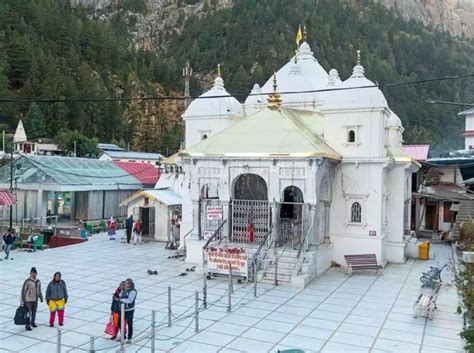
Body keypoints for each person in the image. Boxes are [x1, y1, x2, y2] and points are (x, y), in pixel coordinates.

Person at [119, 278, 137, 343]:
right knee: (120, 323)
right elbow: (120, 295)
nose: (125, 284)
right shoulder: (124, 290)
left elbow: (130, 300)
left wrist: (121, 300)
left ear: (130, 284)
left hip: (129, 310)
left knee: (129, 323)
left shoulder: (133, 291)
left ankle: (129, 338)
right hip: (122, 309)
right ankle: (123, 336)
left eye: (126, 283)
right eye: (125, 283)